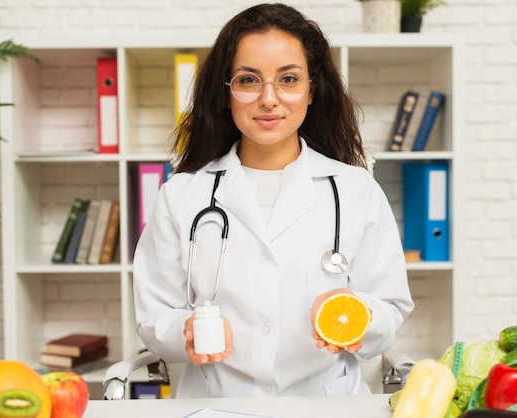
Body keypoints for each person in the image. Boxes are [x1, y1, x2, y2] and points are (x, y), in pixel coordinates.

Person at [133, 3, 414, 398]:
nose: (269, 99)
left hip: (326, 404)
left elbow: (391, 306)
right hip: (217, 403)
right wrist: (185, 331)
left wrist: (358, 315)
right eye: (249, 80)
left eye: (288, 79)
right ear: (226, 92)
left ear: (312, 90)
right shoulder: (183, 195)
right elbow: (154, 314)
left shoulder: (355, 190)